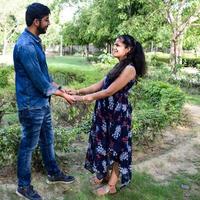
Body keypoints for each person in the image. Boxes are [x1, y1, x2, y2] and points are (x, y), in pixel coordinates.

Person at [67, 34, 146, 196]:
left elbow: (110, 91)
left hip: (118, 116)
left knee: (117, 149)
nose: (114, 47)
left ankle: (112, 186)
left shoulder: (130, 69)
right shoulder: (118, 66)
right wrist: (78, 91)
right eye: (114, 44)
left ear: (128, 49)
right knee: (103, 144)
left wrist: (84, 98)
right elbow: (99, 85)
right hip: (105, 114)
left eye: (118, 45)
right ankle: (105, 175)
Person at [13, 3, 75, 200]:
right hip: (31, 105)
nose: (49, 23)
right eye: (47, 20)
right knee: (28, 147)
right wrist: (63, 95)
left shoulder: (35, 41)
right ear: (36, 21)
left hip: (41, 103)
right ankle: (23, 186)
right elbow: (40, 82)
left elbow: (44, 76)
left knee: (48, 140)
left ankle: (53, 173)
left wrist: (61, 88)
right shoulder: (25, 46)